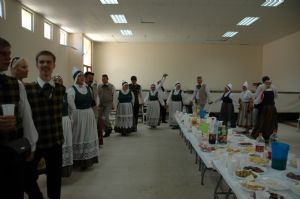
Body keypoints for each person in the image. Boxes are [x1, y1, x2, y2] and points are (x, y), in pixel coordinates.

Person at [0, 37, 38, 199]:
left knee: (14, 190)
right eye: (2, 53)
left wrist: (30, 144)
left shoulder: (15, 85)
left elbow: (26, 116)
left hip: (11, 151)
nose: (7, 57)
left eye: (9, 54)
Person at [24, 50, 65, 199]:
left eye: (48, 62)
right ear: (36, 65)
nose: (45, 65)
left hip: (55, 140)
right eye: (42, 62)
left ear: (54, 65)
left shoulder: (61, 89)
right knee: (27, 177)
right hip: (35, 142)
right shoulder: (28, 89)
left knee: (55, 179)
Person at [67, 67, 99, 169]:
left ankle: (88, 160)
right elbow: (71, 106)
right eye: (79, 76)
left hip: (89, 114)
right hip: (79, 115)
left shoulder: (88, 88)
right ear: (75, 78)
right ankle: (78, 160)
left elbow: (95, 100)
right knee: (79, 135)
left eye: (82, 76)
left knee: (88, 135)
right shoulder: (71, 90)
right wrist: (73, 117)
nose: (81, 78)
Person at [53, 75, 73, 177]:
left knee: (66, 143)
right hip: (54, 122)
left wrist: (71, 120)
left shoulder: (66, 94)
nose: (57, 82)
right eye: (55, 80)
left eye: (59, 80)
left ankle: (66, 169)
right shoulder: (50, 94)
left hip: (65, 121)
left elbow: (71, 108)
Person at [251, 77, 278, 141]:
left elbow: (257, 97)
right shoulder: (273, 87)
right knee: (269, 122)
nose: (268, 83)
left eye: (269, 83)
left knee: (264, 121)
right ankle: (268, 135)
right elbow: (276, 97)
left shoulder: (262, 87)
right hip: (271, 107)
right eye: (267, 82)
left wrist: (254, 101)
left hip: (266, 107)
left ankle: (267, 135)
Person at [84, 71, 103, 145]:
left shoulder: (94, 87)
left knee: (94, 126)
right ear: (85, 78)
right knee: (87, 127)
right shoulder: (83, 87)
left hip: (94, 109)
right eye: (89, 78)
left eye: (92, 78)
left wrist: (97, 105)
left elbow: (97, 97)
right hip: (87, 110)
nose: (91, 79)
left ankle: (94, 141)